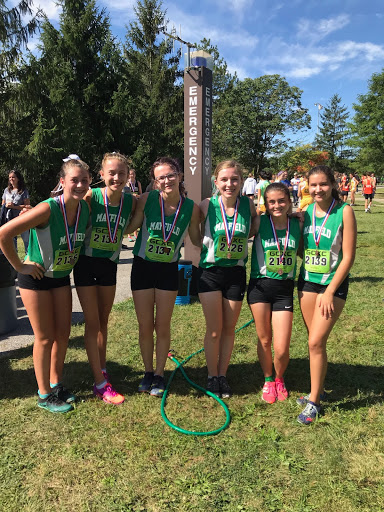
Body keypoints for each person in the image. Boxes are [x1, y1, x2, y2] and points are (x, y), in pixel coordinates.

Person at [0, 156, 91, 413]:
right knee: (44, 337)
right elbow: (4, 234)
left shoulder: (85, 209)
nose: (80, 185)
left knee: (62, 335)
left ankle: (56, 383)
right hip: (35, 279)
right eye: (74, 180)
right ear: (62, 182)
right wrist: (20, 266)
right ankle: (43, 394)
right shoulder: (47, 208)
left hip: (60, 277)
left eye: (85, 180)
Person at [126, 157, 201, 397]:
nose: (167, 180)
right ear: (155, 182)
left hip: (169, 270)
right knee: (145, 325)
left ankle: (159, 373)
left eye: (171, 175)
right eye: (161, 177)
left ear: (179, 176)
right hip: (143, 267)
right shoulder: (147, 200)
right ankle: (148, 372)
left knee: (163, 325)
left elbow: (197, 239)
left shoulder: (191, 207)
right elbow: (131, 226)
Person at [296, 165, 356, 425]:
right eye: (313, 185)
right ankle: (315, 390)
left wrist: (330, 290)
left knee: (316, 342)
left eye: (323, 184)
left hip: (332, 285)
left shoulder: (345, 212)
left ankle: (315, 403)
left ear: (333, 184)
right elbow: (301, 248)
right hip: (307, 281)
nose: (317, 189)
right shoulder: (305, 212)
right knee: (314, 341)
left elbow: (349, 256)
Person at [74, 152, 135, 405]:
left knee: (103, 321)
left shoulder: (131, 202)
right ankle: (100, 383)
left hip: (109, 264)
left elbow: (130, 226)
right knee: (92, 322)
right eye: (111, 173)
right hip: (86, 264)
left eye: (121, 173)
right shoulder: (91, 196)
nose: (116, 178)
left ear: (128, 176)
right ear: (101, 175)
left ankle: (101, 367)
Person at [198, 160, 257, 398]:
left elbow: (256, 224)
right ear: (216, 182)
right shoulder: (207, 205)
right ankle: (212, 376)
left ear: (241, 182)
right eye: (224, 179)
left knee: (229, 329)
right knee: (214, 329)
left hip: (235, 273)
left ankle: (223, 374)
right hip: (210, 272)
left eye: (234, 179)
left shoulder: (248, 205)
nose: (229, 184)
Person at [247, 182, 302, 404]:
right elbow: (240, 231)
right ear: (266, 204)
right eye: (272, 202)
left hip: (284, 290)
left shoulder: (298, 223)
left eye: (281, 201)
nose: (277, 205)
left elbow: (302, 250)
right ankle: (269, 379)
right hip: (260, 287)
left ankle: (280, 378)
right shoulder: (260, 222)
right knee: (265, 339)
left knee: (282, 346)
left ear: (289, 202)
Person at [1, 170, 30, 251]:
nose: (11, 179)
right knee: (12, 240)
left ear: (18, 179)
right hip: (9, 219)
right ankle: (15, 261)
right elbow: (3, 203)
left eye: (13, 177)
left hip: (21, 218)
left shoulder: (23, 191)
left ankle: (28, 257)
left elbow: (27, 206)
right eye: (10, 177)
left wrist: (14, 206)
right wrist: (6, 205)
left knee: (26, 240)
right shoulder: (6, 190)